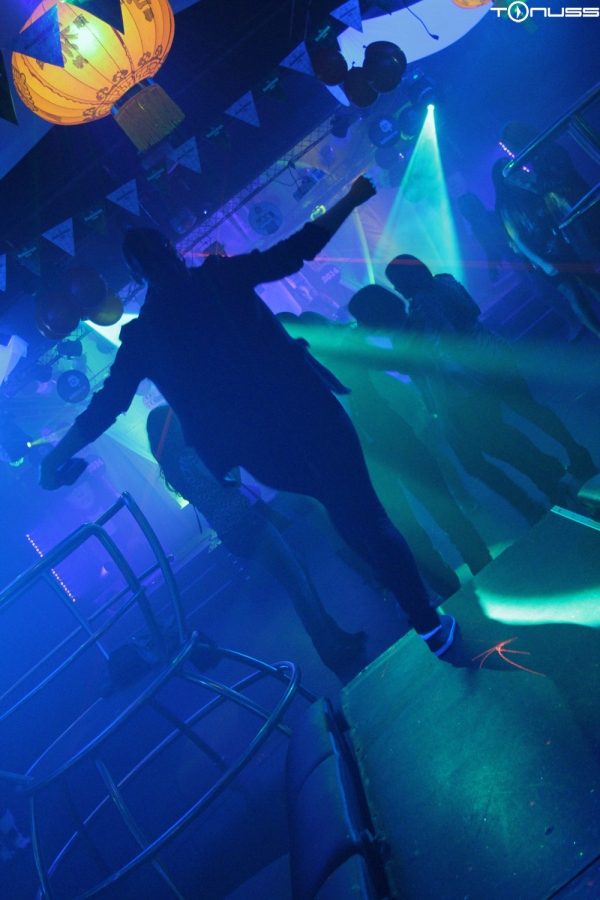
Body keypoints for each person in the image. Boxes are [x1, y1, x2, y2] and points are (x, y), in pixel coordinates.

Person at [39, 177, 456, 660]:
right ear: (170, 250)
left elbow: (107, 405)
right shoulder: (219, 278)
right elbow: (294, 252)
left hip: (260, 449)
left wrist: (56, 457)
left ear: (135, 276)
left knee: (345, 512)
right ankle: (428, 623)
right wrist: (350, 199)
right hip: (309, 411)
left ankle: (418, 612)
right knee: (366, 514)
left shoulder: (143, 336)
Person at [278, 310, 493, 599]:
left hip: (380, 448)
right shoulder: (305, 374)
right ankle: (463, 581)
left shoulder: (324, 361)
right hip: (375, 452)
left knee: (425, 519)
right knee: (419, 523)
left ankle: (465, 580)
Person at [146, 405, 366, 676]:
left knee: (298, 572)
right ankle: (330, 650)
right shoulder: (191, 456)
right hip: (247, 525)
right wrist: (226, 451)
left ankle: (335, 636)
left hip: (233, 533)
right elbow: (230, 481)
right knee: (297, 582)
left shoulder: (176, 471)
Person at [348, 282, 587, 524]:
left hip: (460, 397)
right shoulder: (409, 327)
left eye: (361, 318)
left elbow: (431, 373)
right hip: (464, 393)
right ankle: (547, 485)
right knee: (494, 448)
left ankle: (545, 490)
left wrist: (444, 416)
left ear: (373, 316)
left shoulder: (410, 332)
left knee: (491, 451)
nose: (360, 324)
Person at [385, 256, 596, 483]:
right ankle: (577, 453)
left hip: (475, 369)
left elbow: (448, 342)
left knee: (497, 433)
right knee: (531, 409)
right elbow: (474, 309)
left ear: (405, 281)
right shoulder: (445, 280)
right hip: (495, 349)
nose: (396, 289)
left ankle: (551, 472)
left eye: (396, 283)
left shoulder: (420, 306)